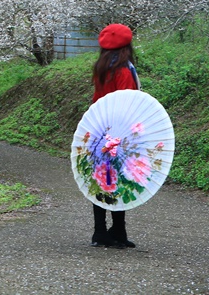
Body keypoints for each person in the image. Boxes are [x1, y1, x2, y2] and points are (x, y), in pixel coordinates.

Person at [90, 22, 141, 249]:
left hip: (101, 130)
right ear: (127, 46)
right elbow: (127, 103)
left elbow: (97, 101)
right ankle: (117, 230)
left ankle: (102, 231)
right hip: (119, 133)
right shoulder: (122, 70)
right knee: (120, 179)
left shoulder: (101, 68)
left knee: (103, 179)